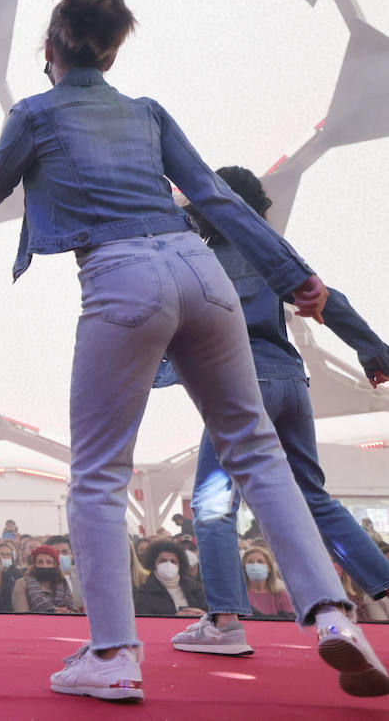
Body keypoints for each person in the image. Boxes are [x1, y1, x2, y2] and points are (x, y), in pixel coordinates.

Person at [0, 0, 384, 701]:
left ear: (49, 48)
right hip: (199, 268)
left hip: (122, 277)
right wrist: (293, 275)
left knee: (96, 473)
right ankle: (335, 618)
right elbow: (214, 196)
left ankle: (114, 655)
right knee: (256, 452)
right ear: (114, 50)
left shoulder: (34, 113)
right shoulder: (147, 113)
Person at [163, 166, 389, 661]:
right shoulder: (270, 250)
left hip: (239, 384)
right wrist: (375, 353)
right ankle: (386, 589)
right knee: (313, 496)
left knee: (212, 503)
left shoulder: (198, 257)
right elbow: (330, 300)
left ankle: (224, 622)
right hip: (290, 381)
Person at [134, 541, 207, 618]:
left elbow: (210, 615)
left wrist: (203, 614)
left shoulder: (195, 587)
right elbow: (145, 621)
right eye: (163, 561)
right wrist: (175, 617)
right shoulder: (144, 591)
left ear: (180, 565)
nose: (168, 564)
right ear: (154, 564)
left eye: (173, 561)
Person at [18, 545, 76, 614]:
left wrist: (67, 612)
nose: (44, 566)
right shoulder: (22, 584)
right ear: (34, 564)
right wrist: (52, 613)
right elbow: (21, 616)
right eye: (40, 562)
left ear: (55, 565)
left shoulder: (64, 584)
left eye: (49, 562)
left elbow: (76, 612)